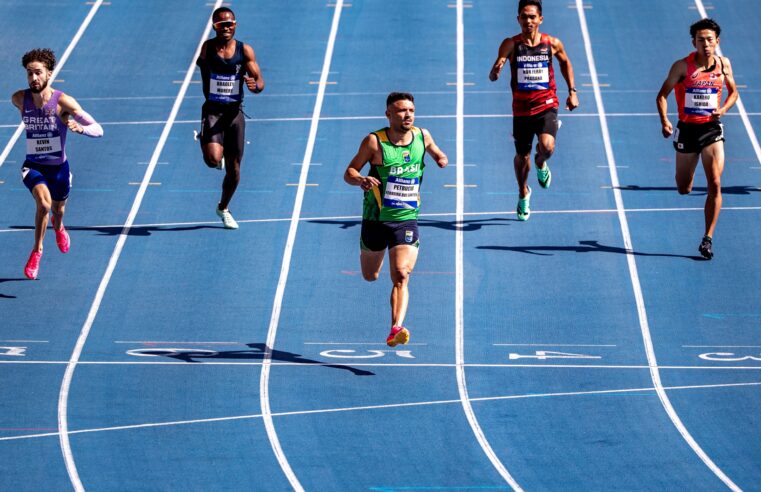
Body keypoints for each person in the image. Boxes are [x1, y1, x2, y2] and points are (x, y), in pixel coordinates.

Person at [344, 92, 448, 347]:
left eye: (411, 110)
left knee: (401, 274)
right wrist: (361, 180)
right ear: (388, 114)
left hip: (406, 219)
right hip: (375, 219)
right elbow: (349, 172)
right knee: (371, 275)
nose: (408, 115)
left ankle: (396, 328)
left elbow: (435, 151)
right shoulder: (374, 142)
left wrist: (440, 158)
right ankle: (373, 268)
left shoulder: (422, 136)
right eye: (401, 111)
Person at [12, 48, 103, 280]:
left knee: (58, 209)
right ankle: (37, 251)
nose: (34, 78)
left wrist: (80, 128)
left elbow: (98, 129)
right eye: (29, 74)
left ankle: (59, 226)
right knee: (43, 203)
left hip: (59, 169)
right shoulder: (19, 99)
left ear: (49, 74)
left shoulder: (63, 102)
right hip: (33, 166)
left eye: (38, 73)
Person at [488, 0, 578, 220]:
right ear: (518, 19)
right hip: (521, 111)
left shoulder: (552, 43)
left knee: (547, 148)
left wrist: (572, 91)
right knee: (521, 156)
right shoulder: (510, 44)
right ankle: (523, 192)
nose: (528, 21)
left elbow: (565, 63)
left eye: (532, 17)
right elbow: (492, 74)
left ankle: (541, 163)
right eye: (524, 17)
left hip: (547, 105)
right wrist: (496, 70)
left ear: (540, 19)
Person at [656, 18, 737, 260]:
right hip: (687, 130)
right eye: (701, 40)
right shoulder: (682, 67)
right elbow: (661, 96)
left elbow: (734, 93)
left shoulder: (724, 65)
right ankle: (689, 184)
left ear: (717, 42)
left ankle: (707, 238)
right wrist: (665, 121)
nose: (706, 44)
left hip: (712, 130)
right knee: (684, 188)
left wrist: (722, 110)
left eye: (710, 40)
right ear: (693, 42)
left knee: (715, 181)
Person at [196, 6, 264, 229]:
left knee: (234, 170)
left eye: (230, 23)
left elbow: (260, 81)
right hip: (213, 112)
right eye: (221, 24)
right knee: (212, 160)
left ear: (235, 25)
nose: (226, 27)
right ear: (214, 26)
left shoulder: (245, 51)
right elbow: (200, 63)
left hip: (235, 114)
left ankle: (223, 208)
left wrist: (255, 86)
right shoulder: (208, 48)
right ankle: (209, 142)